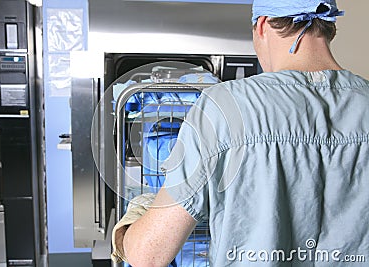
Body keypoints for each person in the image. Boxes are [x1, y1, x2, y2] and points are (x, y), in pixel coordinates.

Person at [112, 0, 369, 266]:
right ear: (329, 27)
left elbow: (149, 255)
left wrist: (127, 228)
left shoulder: (224, 107)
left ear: (261, 25)